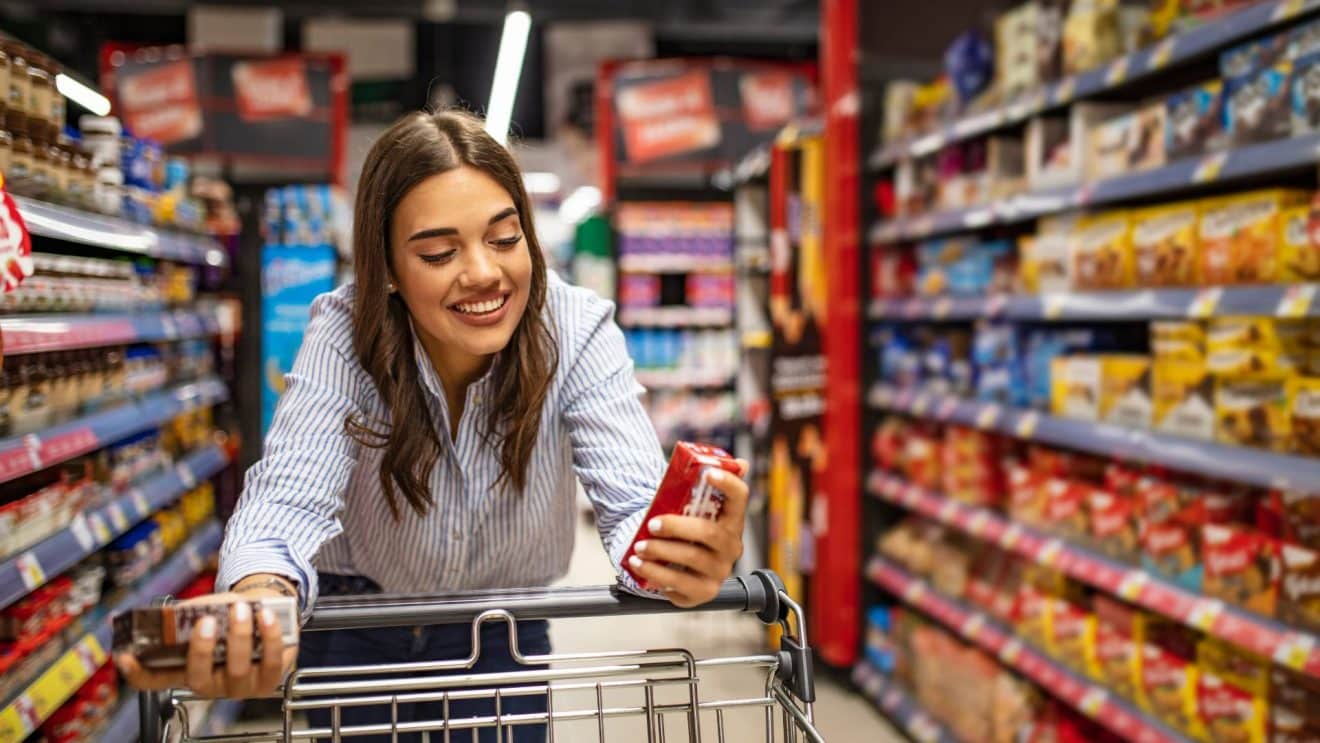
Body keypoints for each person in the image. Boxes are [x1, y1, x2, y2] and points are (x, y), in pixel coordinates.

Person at [115, 109, 750, 741]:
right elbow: (288, 491)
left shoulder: (575, 329)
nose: (483, 272)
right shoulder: (344, 332)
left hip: (504, 636)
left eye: (505, 239)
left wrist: (674, 551)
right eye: (440, 252)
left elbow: (633, 495)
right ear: (386, 267)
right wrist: (257, 592)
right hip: (353, 631)